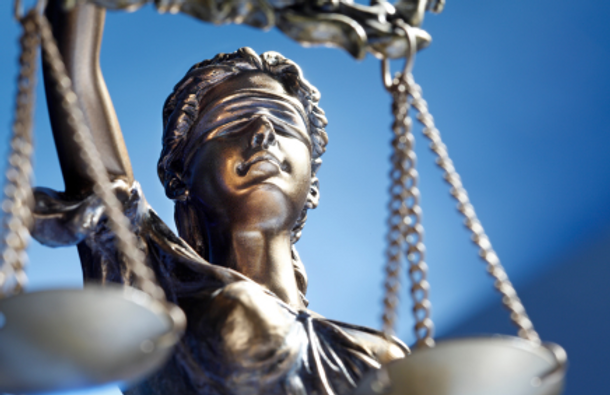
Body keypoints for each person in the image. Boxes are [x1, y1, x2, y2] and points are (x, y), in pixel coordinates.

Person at [33, 2, 408, 394]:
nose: (263, 133)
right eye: (232, 122)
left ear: (312, 181)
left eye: (283, 123)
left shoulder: (373, 358)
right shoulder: (158, 298)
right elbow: (76, 80)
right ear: (180, 177)